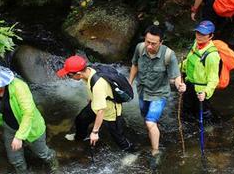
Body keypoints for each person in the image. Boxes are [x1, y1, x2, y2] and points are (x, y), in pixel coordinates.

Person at [0, 59, 57, 174]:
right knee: (14, 158)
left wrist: (19, 136)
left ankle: (54, 164)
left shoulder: (19, 87)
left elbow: (28, 113)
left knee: (42, 153)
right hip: (9, 126)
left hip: (31, 127)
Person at [129, 25, 186, 157]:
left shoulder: (168, 55)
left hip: (159, 94)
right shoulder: (139, 48)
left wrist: (180, 85)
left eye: (153, 44)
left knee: (150, 121)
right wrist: (129, 83)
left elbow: (176, 76)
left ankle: (155, 151)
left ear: (161, 42)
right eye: (147, 42)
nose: (149, 46)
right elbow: (135, 64)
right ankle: (154, 129)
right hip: (142, 90)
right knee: (146, 118)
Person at [56, 55, 133, 151]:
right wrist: (92, 97)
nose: (69, 77)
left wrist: (95, 132)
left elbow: (101, 110)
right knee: (81, 119)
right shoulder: (88, 71)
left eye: (69, 75)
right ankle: (79, 137)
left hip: (110, 110)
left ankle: (130, 151)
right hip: (96, 103)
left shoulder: (98, 84)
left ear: (79, 73)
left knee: (117, 135)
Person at [181, 20, 221, 122]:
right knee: (186, 111)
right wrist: (176, 68)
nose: (199, 36)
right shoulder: (196, 44)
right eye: (198, 32)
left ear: (211, 36)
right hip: (189, 84)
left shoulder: (212, 56)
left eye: (203, 34)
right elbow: (189, 61)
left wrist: (206, 93)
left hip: (201, 91)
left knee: (203, 116)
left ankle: (210, 131)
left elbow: (213, 79)